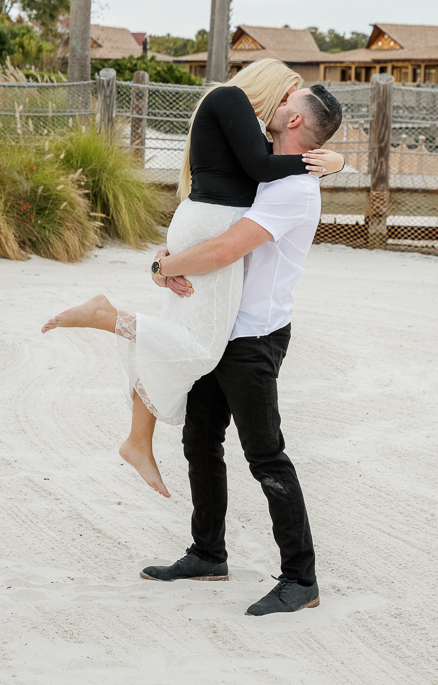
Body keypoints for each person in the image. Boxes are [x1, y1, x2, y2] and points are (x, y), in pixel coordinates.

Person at [41, 59, 344, 499]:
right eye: (283, 94)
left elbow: (260, 168)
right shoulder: (231, 100)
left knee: (178, 337)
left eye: (288, 102)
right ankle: (108, 317)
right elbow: (258, 174)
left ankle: (138, 440)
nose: (282, 105)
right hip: (210, 226)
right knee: (199, 347)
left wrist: (331, 162)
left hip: (203, 225)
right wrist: (326, 163)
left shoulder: (239, 119)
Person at [140, 83, 343, 616]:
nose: (274, 106)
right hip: (217, 326)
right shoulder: (266, 171)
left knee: (266, 455)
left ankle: (302, 579)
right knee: (200, 441)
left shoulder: (294, 189)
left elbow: (228, 248)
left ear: (295, 122)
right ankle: (208, 552)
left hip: (252, 336)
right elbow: (209, 218)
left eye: (285, 104)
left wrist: (164, 268)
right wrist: (167, 259)